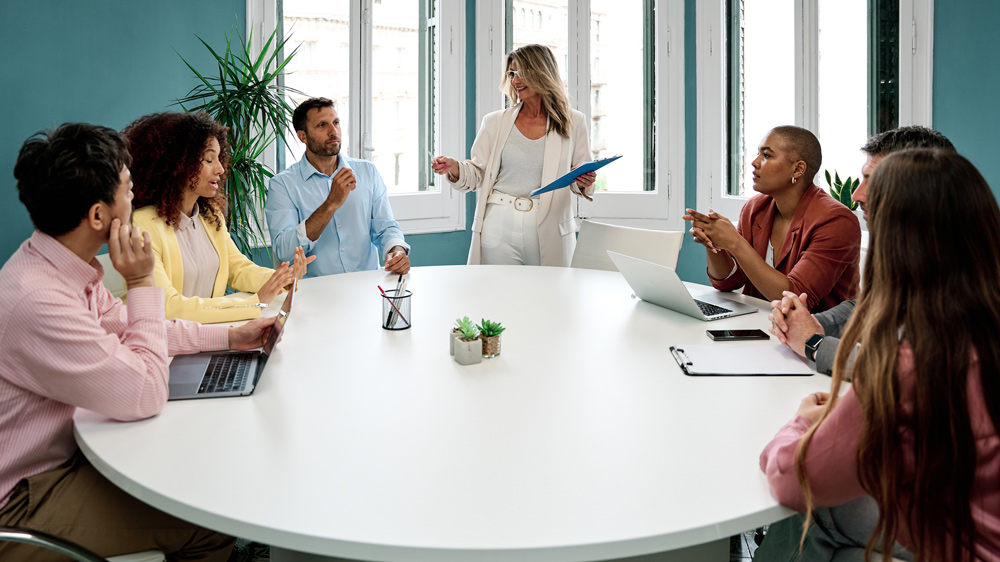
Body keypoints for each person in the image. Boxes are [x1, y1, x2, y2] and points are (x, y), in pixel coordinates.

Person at [0, 123, 278, 561]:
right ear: (97, 216)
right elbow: (146, 391)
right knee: (204, 520)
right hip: (23, 500)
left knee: (194, 472)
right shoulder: (39, 300)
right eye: (128, 190)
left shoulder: (62, 265)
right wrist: (143, 280)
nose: (136, 200)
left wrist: (229, 335)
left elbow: (135, 328)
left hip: (69, 458)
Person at [760, 149, 1000, 562]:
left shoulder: (912, 363)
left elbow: (788, 476)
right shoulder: (979, 320)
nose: (857, 195)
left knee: (813, 515)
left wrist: (805, 419)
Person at [768, 126, 955, 375]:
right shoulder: (911, 248)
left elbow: (907, 373)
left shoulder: (960, 271)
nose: (857, 195)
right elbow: (870, 304)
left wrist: (814, 344)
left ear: (916, 190)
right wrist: (808, 323)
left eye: (872, 180)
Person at [123, 112, 313, 323]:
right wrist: (255, 303)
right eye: (208, 159)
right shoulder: (141, 225)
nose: (221, 169)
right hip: (162, 343)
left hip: (206, 335)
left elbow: (238, 269)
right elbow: (168, 306)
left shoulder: (210, 217)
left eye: (219, 159)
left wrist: (283, 278)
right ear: (178, 164)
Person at [430, 43, 597, 266]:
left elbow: (579, 175)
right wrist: (455, 168)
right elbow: (479, 172)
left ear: (542, 73)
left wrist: (584, 181)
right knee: (500, 296)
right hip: (499, 223)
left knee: (552, 297)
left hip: (551, 224)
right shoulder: (495, 122)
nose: (515, 81)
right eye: (511, 73)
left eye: (521, 73)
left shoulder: (574, 121)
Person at [684, 126, 860, 312]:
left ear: (798, 169)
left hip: (817, 335)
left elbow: (795, 298)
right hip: (760, 325)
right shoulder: (755, 208)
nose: (754, 162)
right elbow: (728, 282)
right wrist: (713, 244)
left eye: (767, 155)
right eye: (758, 154)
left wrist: (735, 242)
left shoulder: (836, 221)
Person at [265, 98, 411, 277]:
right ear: (302, 136)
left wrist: (397, 250)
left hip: (367, 288)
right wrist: (330, 204)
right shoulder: (282, 185)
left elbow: (385, 227)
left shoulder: (368, 172)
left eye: (336, 123)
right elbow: (284, 251)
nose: (333, 131)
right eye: (322, 125)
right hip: (316, 295)